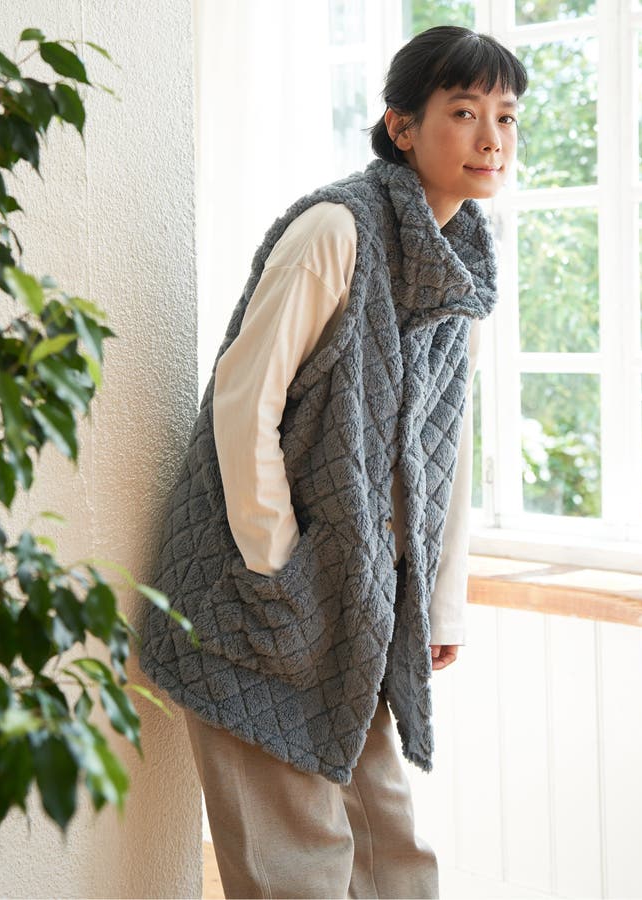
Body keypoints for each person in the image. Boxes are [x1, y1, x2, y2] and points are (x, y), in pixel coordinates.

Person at [139, 24, 527, 900]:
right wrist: (280, 566)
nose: (491, 138)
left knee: (393, 856)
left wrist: (439, 601)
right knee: (299, 867)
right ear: (401, 125)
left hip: (356, 608)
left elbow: (443, 446)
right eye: (464, 112)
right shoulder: (335, 229)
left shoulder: (460, 267)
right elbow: (245, 400)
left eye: (505, 117)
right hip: (258, 603)